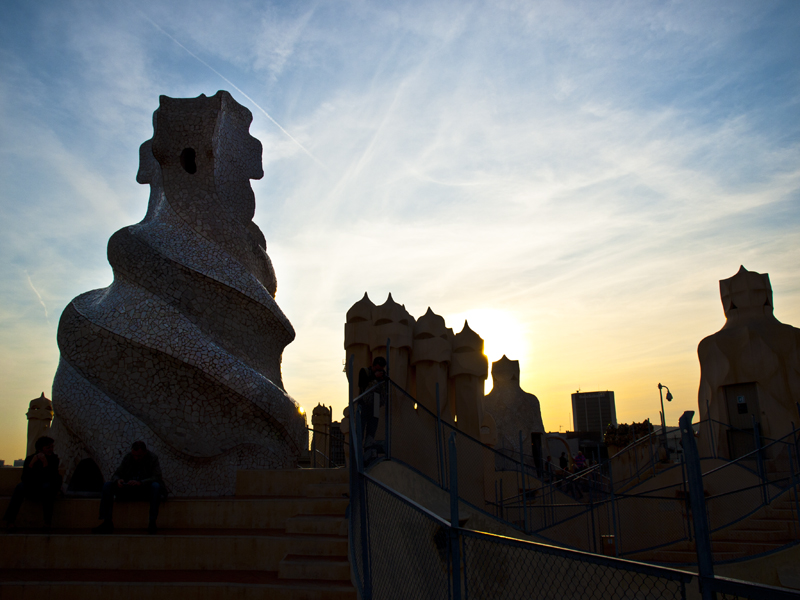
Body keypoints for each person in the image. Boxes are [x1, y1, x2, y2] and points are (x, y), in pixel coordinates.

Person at [93, 441, 166, 534]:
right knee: (107, 485)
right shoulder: (128, 458)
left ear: (144, 452)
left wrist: (141, 482)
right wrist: (118, 480)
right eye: (134, 455)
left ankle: (152, 522)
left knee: (156, 486)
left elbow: (157, 477)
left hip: (144, 490)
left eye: (139, 456)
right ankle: (107, 521)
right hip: (128, 489)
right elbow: (116, 474)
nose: (136, 458)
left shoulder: (152, 458)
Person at [3, 436, 61, 529]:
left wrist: (45, 464)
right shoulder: (30, 459)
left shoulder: (54, 460)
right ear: (40, 449)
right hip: (32, 489)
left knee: (47, 487)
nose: (51, 449)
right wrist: (31, 464)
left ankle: (47, 523)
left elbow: (52, 479)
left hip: (46, 490)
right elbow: (25, 478)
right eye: (48, 447)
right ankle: (10, 521)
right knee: (20, 487)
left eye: (52, 447)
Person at [357, 356, 388, 463]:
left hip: (375, 406)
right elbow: (361, 383)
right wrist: (374, 376)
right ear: (374, 366)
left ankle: (368, 453)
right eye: (378, 369)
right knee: (360, 431)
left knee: (371, 432)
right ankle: (358, 455)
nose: (379, 371)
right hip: (364, 404)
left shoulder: (382, 375)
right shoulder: (365, 371)